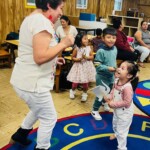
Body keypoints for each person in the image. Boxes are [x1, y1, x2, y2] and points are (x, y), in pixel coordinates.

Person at [9, 0, 74, 150]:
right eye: (60, 8)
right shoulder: (42, 23)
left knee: (37, 109)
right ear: (50, 5)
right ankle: (42, 147)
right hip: (33, 83)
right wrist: (64, 43)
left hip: (24, 79)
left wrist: (53, 59)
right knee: (49, 117)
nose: (61, 13)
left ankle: (20, 134)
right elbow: (39, 57)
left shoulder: (31, 18)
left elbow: (33, 51)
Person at [104, 60, 139, 150]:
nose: (118, 68)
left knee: (122, 132)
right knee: (115, 124)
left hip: (125, 113)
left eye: (122, 68)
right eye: (119, 66)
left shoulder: (127, 88)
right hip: (117, 110)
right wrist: (110, 96)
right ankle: (116, 133)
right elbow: (113, 90)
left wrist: (113, 104)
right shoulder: (116, 81)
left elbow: (127, 102)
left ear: (129, 75)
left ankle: (122, 147)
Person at [91, 27, 117, 120]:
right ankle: (94, 110)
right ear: (103, 38)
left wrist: (115, 70)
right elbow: (97, 65)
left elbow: (113, 61)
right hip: (101, 76)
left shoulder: (115, 49)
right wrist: (107, 68)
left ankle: (104, 103)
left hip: (111, 76)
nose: (111, 40)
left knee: (109, 91)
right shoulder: (100, 51)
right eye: (108, 37)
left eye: (113, 37)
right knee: (100, 94)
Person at [67, 32, 96, 102]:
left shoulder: (89, 48)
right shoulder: (76, 48)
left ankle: (85, 94)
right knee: (75, 83)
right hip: (78, 67)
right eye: (85, 39)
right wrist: (78, 59)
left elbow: (92, 57)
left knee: (85, 83)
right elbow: (72, 57)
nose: (87, 40)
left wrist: (86, 57)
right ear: (80, 40)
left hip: (87, 67)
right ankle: (72, 90)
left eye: (87, 39)